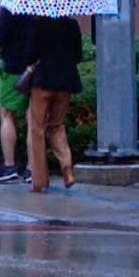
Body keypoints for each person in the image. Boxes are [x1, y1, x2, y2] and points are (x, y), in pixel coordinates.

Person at [20, 14, 81, 193]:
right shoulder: (72, 25)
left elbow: (28, 55)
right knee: (56, 125)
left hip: (42, 82)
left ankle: (39, 181)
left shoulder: (36, 24)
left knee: (37, 129)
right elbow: (78, 56)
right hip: (65, 82)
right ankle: (67, 169)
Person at [0, 0, 34, 184]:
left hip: (13, 70)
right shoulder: (39, 6)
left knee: (7, 114)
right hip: (36, 70)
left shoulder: (11, 5)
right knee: (33, 120)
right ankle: (33, 168)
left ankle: (9, 166)